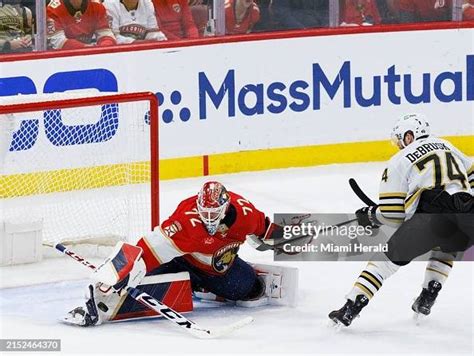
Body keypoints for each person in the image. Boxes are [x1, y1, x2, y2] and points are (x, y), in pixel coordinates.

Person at [65, 181, 288, 326]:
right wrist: (117, 278)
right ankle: (184, 281)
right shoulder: (186, 223)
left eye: (214, 212)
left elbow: (265, 230)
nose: (209, 218)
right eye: (205, 212)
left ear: (226, 206)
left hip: (217, 269)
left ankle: (199, 285)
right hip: (179, 260)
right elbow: (149, 250)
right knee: (143, 278)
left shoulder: (245, 213)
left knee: (250, 288)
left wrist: (289, 239)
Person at [329, 114, 473, 327]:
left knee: (384, 262)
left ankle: (351, 307)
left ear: (408, 136)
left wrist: (371, 216)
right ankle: (429, 293)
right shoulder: (447, 145)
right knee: (449, 242)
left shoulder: (399, 160)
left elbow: (393, 216)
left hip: (432, 217)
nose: (399, 146)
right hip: (469, 213)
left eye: (399, 140)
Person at [47, 0, 116, 50]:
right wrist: (89, 49)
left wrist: (104, 47)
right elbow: (58, 42)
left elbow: (106, 34)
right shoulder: (52, 9)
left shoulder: (97, 5)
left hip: (89, 56)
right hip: (60, 60)